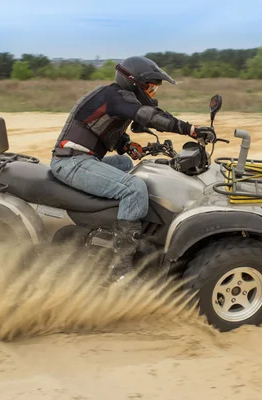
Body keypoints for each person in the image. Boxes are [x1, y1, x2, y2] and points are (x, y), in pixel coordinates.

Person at [50, 56, 215, 282]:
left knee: (127, 165)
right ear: (133, 82)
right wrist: (190, 129)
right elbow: (147, 116)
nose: (152, 93)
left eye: (155, 89)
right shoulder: (113, 96)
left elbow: (102, 130)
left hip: (82, 158)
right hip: (72, 161)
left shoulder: (114, 98)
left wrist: (127, 145)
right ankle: (122, 268)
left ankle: (112, 226)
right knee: (135, 188)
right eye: (150, 87)